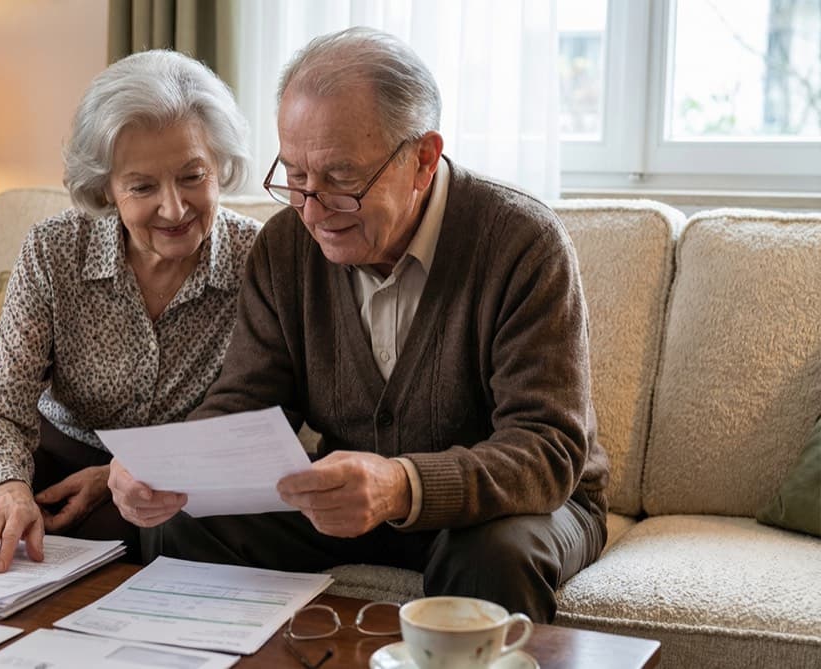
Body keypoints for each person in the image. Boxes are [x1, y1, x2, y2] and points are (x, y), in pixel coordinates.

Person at [108, 27, 610, 624]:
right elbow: (244, 403)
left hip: (515, 506)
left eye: (342, 178)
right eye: (295, 175)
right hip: (353, 504)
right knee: (181, 524)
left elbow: (546, 450)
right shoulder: (284, 247)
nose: (313, 211)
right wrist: (170, 468)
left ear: (422, 159)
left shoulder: (522, 243)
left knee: (492, 559)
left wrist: (403, 484)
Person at [0, 49, 260, 575]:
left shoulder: (255, 259)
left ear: (220, 164)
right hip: (51, 453)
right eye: (142, 186)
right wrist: (9, 489)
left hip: (169, 478)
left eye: (193, 176)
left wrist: (117, 474)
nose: (174, 208)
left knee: (110, 563)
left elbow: (256, 420)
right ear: (106, 187)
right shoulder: (55, 252)